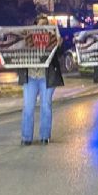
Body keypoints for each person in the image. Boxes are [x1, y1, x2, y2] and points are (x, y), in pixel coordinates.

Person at [16, 14, 65, 145]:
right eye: (40, 24)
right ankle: (26, 138)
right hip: (31, 76)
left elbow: (59, 55)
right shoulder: (27, 39)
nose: (42, 27)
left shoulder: (53, 38)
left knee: (46, 106)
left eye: (45, 24)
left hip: (46, 76)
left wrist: (59, 44)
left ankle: (45, 136)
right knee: (28, 107)